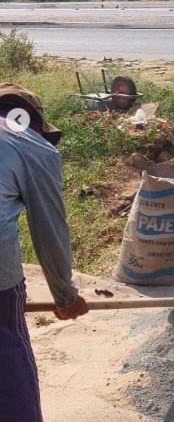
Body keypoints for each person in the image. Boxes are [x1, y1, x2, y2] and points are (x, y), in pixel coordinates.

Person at [0, 83, 88, 422]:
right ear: (32, 122)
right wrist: (65, 296)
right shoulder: (30, 144)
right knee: (10, 380)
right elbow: (49, 230)